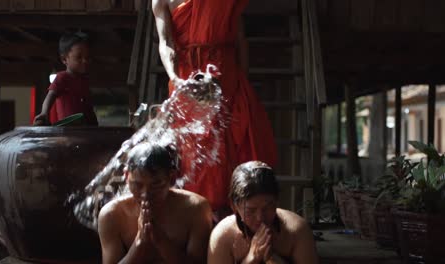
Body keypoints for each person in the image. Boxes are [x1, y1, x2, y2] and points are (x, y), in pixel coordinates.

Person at [152, 0, 277, 216]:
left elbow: (239, 36)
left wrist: (241, 79)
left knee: (237, 139)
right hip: (186, 76)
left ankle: (241, 213)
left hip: (225, 70)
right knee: (194, 148)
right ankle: (197, 213)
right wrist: (175, 78)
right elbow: (165, 42)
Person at [97, 142, 213, 264]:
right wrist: (140, 243)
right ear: (126, 176)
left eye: (156, 185)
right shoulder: (112, 215)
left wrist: (160, 240)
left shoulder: (196, 209)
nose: (145, 194)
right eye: (137, 185)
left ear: (172, 178)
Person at [208, 161, 318, 264]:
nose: (260, 217)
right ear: (234, 206)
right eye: (251, 210)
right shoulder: (223, 236)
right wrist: (251, 258)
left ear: (276, 202)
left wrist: (273, 259)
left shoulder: (296, 231)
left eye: (267, 208)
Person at [33, 32, 98, 126]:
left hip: (85, 130)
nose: (85, 61)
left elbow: (88, 106)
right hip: (67, 131)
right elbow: (50, 96)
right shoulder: (62, 77)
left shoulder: (85, 80)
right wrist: (44, 113)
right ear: (64, 59)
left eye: (87, 57)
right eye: (79, 57)